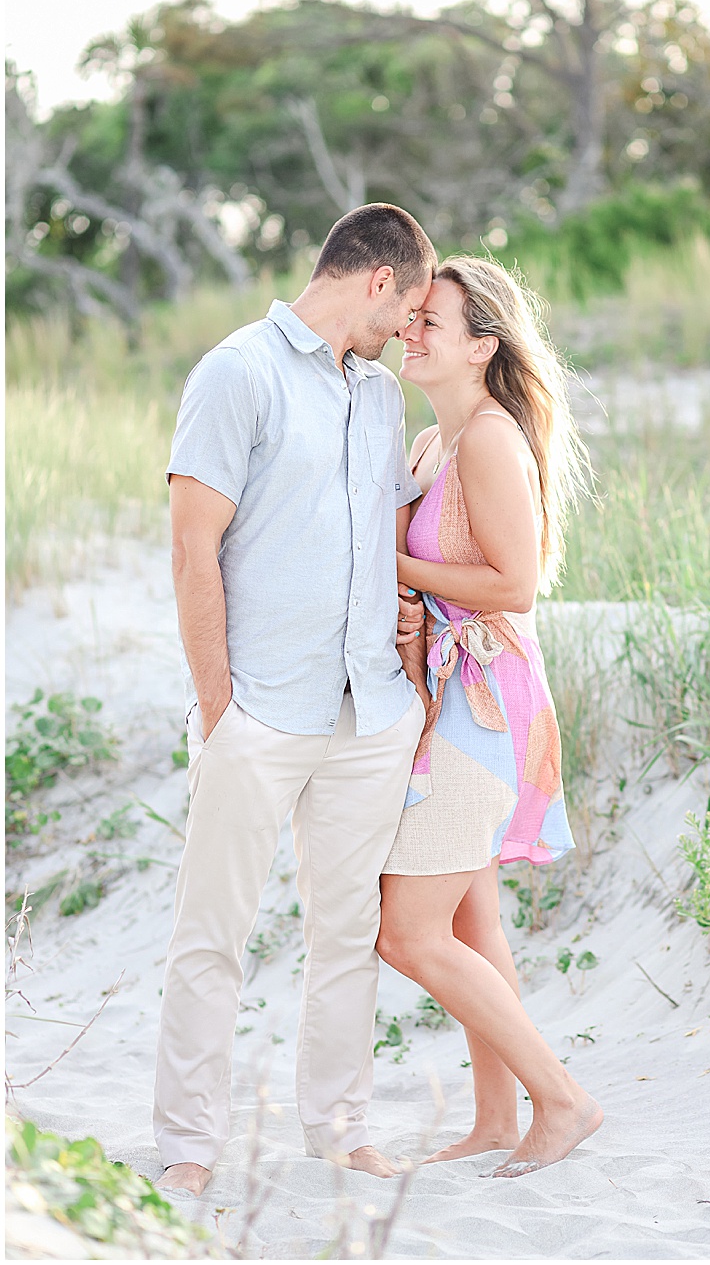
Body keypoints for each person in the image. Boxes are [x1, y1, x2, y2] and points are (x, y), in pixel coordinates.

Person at [153, 203, 436, 1194]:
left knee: (345, 930)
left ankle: (338, 1126)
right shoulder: (239, 373)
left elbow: (385, 539)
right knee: (212, 932)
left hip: (370, 712)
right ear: (376, 280)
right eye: (407, 310)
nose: (408, 333)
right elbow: (194, 547)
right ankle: (189, 1143)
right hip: (261, 709)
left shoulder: (381, 396)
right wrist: (220, 704)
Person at [377, 256, 603, 1177]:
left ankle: (564, 1100)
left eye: (432, 318)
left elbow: (515, 584)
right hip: (442, 698)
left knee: (406, 932)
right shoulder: (435, 443)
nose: (410, 329)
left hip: (485, 704)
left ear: (483, 345)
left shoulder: (489, 441)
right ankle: (495, 1119)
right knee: (472, 925)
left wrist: (402, 576)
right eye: (411, 315)